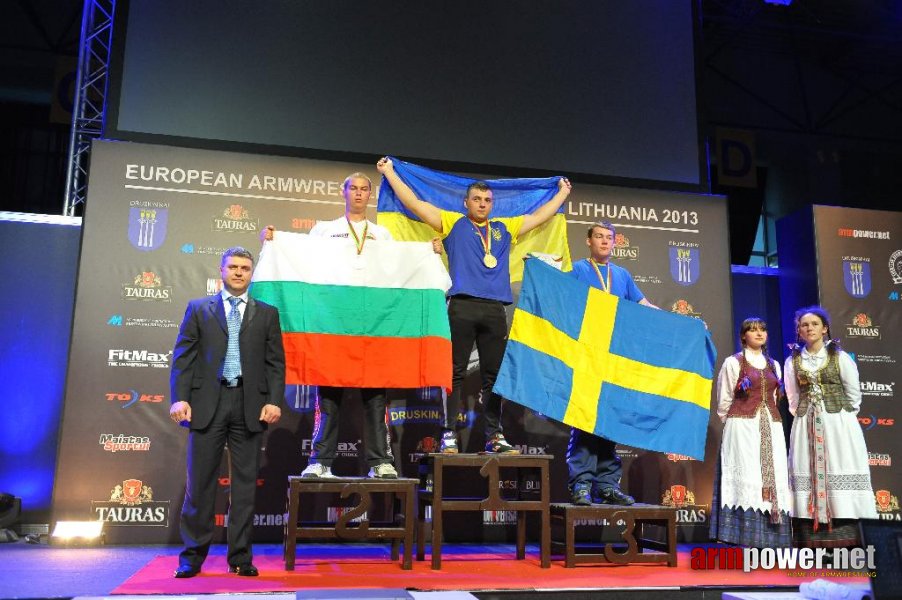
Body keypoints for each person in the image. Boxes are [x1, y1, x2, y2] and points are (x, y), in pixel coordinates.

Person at [377, 156, 572, 454]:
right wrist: (389, 171)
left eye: (487, 200)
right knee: (454, 372)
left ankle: (495, 435)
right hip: (462, 306)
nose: (482, 204)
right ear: (466, 202)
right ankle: (449, 434)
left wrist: (562, 194)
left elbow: (540, 217)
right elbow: (415, 204)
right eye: (477, 199)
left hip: (495, 309)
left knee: (493, 376)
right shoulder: (453, 222)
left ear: (492, 204)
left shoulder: (505, 227)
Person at [262, 172, 398, 479]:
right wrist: (275, 241)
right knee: (328, 398)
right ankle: (320, 461)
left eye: (365, 189)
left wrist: (428, 255)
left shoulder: (383, 235)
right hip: (333, 325)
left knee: (376, 399)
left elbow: (395, 274)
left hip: (371, 327)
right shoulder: (324, 230)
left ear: (370, 195)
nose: (359, 194)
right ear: (344, 192)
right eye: (354, 188)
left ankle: (380, 462)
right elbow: (304, 264)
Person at [169, 247, 285, 578]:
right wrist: (179, 398)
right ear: (221, 270)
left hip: (249, 407)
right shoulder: (198, 309)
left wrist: (274, 399)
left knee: (245, 487)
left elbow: (275, 363)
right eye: (232, 267)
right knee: (200, 484)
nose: (238, 272)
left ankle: (240, 557)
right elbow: (183, 358)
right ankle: (192, 557)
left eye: (245, 268)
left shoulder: (267, 314)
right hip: (207, 404)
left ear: (251, 273)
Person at [566, 222, 657, 505]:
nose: (605, 242)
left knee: (609, 420)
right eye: (599, 237)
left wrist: (679, 323)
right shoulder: (579, 269)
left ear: (615, 243)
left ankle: (606, 485)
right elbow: (563, 299)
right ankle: (581, 484)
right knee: (584, 418)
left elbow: (644, 306)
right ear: (588, 241)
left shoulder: (622, 274)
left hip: (614, 356)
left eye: (609, 238)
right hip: (587, 353)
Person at [784, 306, 877, 548]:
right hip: (805, 424)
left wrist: (837, 418)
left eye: (814, 324)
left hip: (838, 424)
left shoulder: (839, 356)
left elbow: (854, 394)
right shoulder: (792, 360)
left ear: (824, 328)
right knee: (806, 468)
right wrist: (808, 415)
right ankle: (811, 540)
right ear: (799, 331)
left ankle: (847, 538)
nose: (809, 328)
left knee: (839, 464)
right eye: (804, 325)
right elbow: (793, 399)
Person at [710, 317, 792, 547]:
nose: (759, 333)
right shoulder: (733, 362)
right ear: (743, 336)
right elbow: (724, 399)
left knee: (769, 473)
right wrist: (734, 424)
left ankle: (771, 535)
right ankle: (737, 533)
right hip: (742, 426)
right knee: (747, 471)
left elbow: (777, 397)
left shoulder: (774, 364)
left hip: (771, 426)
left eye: (763, 330)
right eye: (752, 330)